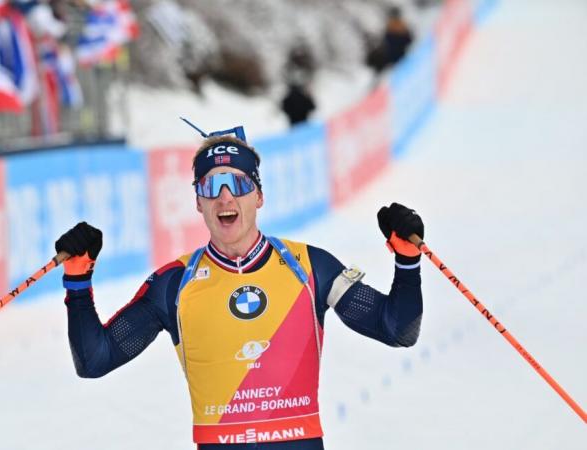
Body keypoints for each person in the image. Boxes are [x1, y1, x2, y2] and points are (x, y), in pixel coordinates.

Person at [55, 126, 425, 449]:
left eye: (239, 184)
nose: (225, 197)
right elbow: (94, 360)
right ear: (198, 202)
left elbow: (397, 329)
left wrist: (407, 263)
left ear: (259, 196)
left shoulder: (310, 267)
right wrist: (77, 282)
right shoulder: (174, 284)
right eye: (212, 186)